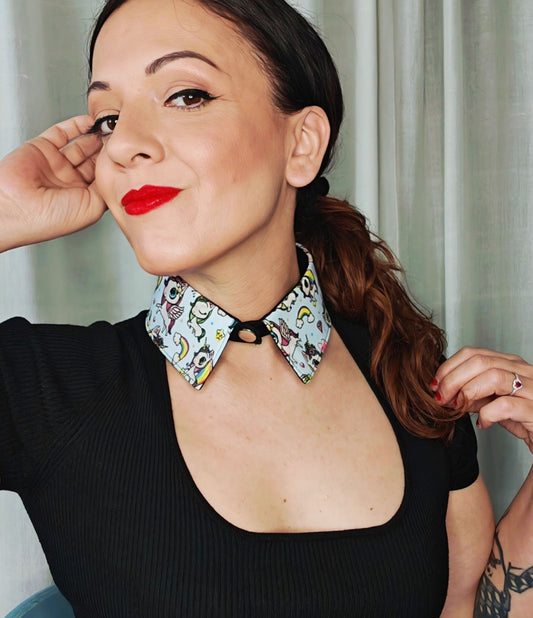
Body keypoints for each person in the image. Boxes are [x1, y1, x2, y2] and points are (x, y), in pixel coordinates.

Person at [0, 0, 532, 616]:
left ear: (301, 143)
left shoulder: (407, 373)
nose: (124, 147)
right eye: (108, 120)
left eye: (186, 96)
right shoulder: (42, 387)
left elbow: (471, 608)